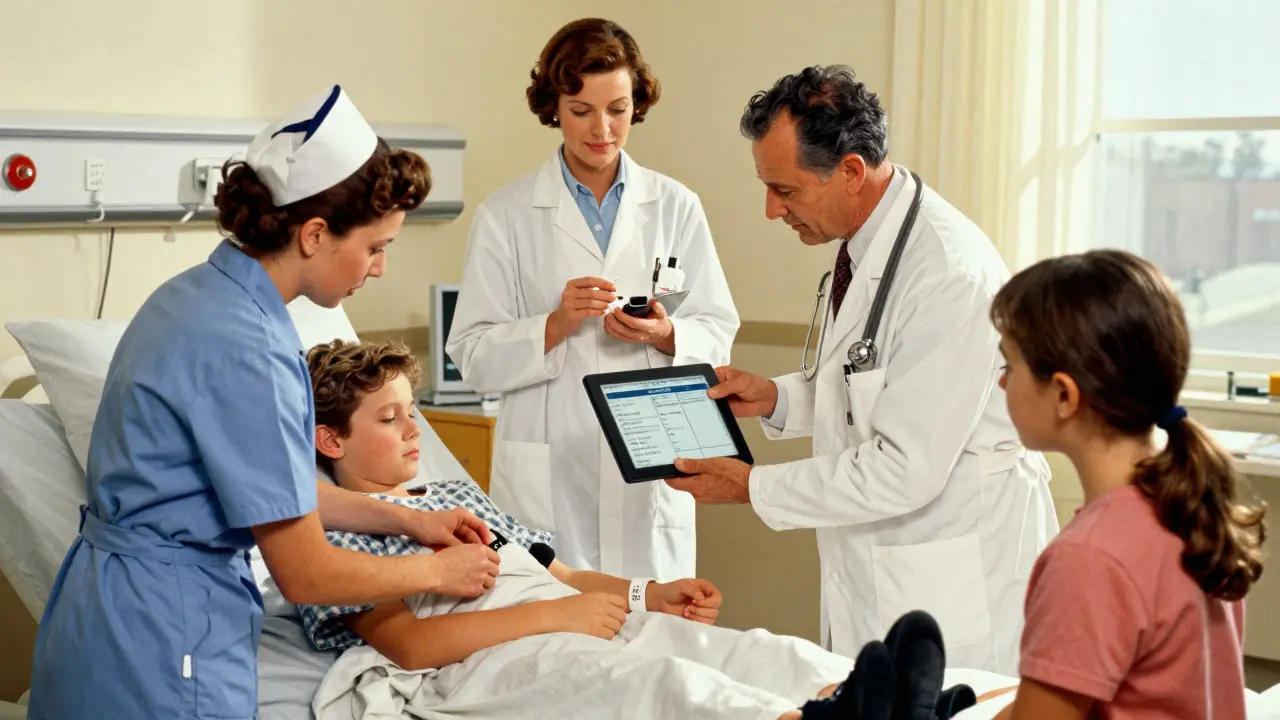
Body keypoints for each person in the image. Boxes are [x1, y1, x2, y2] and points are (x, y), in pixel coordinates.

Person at [27, 86, 500, 720]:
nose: (380, 268)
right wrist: (439, 574)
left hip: (106, 621)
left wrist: (409, 520)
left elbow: (266, 489)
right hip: (169, 640)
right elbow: (306, 572)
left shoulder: (195, 295)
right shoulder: (251, 350)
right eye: (375, 247)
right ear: (314, 234)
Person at [299, 339, 980, 720]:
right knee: (659, 685)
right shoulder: (332, 538)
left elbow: (559, 573)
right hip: (499, 655)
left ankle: (881, 705)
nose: (415, 429)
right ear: (329, 440)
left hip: (568, 614)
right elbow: (413, 648)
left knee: (751, 650)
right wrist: (555, 619)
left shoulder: (449, 494)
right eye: (389, 420)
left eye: (412, 410)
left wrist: (646, 596)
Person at [665, 66, 1056, 674]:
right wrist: (775, 397)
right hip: (883, 565)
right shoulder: (863, 242)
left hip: (946, 574)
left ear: (850, 171)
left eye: (785, 190)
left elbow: (905, 466)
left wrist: (750, 486)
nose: (771, 210)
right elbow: (863, 381)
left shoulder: (948, 273)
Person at [447, 18, 739, 581]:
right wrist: (553, 325)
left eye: (619, 109)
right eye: (581, 110)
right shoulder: (505, 216)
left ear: (637, 104)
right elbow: (473, 353)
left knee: (656, 641)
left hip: (649, 467)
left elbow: (716, 323)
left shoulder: (675, 206)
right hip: (551, 474)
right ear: (553, 107)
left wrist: (666, 333)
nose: (601, 129)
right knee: (555, 640)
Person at [981, 249, 1266, 718]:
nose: (1001, 385)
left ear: (1064, 395)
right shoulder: (1186, 507)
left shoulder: (1089, 559)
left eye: (1009, 367)